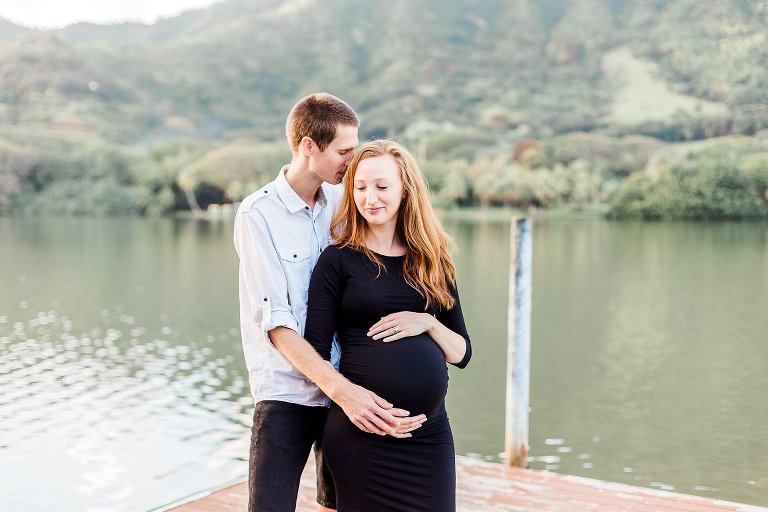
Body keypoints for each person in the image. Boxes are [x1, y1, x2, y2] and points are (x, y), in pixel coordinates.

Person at [233, 95, 425, 512]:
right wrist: (342, 391)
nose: (351, 161)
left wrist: (425, 323)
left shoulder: (343, 202)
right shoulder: (258, 214)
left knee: (339, 504)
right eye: (343, 151)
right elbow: (276, 324)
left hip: (348, 385)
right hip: (289, 391)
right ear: (308, 146)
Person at [304, 139, 472, 512]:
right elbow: (313, 353)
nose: (370, 198)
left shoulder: (433, 261)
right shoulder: (338, 260)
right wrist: (356, 403)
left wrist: (428, 322)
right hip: (362, 434)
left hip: (428, 436)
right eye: (360, 187)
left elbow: (462, 353)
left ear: (405, 189)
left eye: (382, 187)